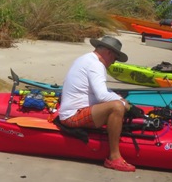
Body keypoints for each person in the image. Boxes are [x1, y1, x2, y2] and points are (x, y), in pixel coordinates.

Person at [58, 36, 135, 172]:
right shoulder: (96, 65)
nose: (113, 62)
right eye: (115, 59)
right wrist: (123, 103)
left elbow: (103, 91)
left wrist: (119, 97)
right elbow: (102, 95)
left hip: (77, 110)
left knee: (117, 101)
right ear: (109, 53)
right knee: (117, 107)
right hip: (73, 115)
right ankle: (114, 157)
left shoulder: (86, 58)